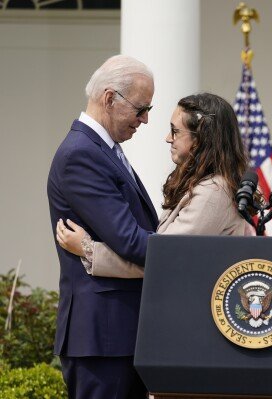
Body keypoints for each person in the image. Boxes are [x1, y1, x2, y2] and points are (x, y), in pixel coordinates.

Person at [47, 55, 158, 399]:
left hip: (119, 335)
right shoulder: (82, 154)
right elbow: (129, 240)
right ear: (110, 98)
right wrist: (187, 254)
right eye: (141, 109)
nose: (146, 120)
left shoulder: (103, 150)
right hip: (103, 338)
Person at [56, 92, 251, 278]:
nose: (168, 138)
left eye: (175, 131)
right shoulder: (208, 186)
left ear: (201, 139)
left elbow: (166, 256)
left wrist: (89, 250)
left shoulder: (214, 192)